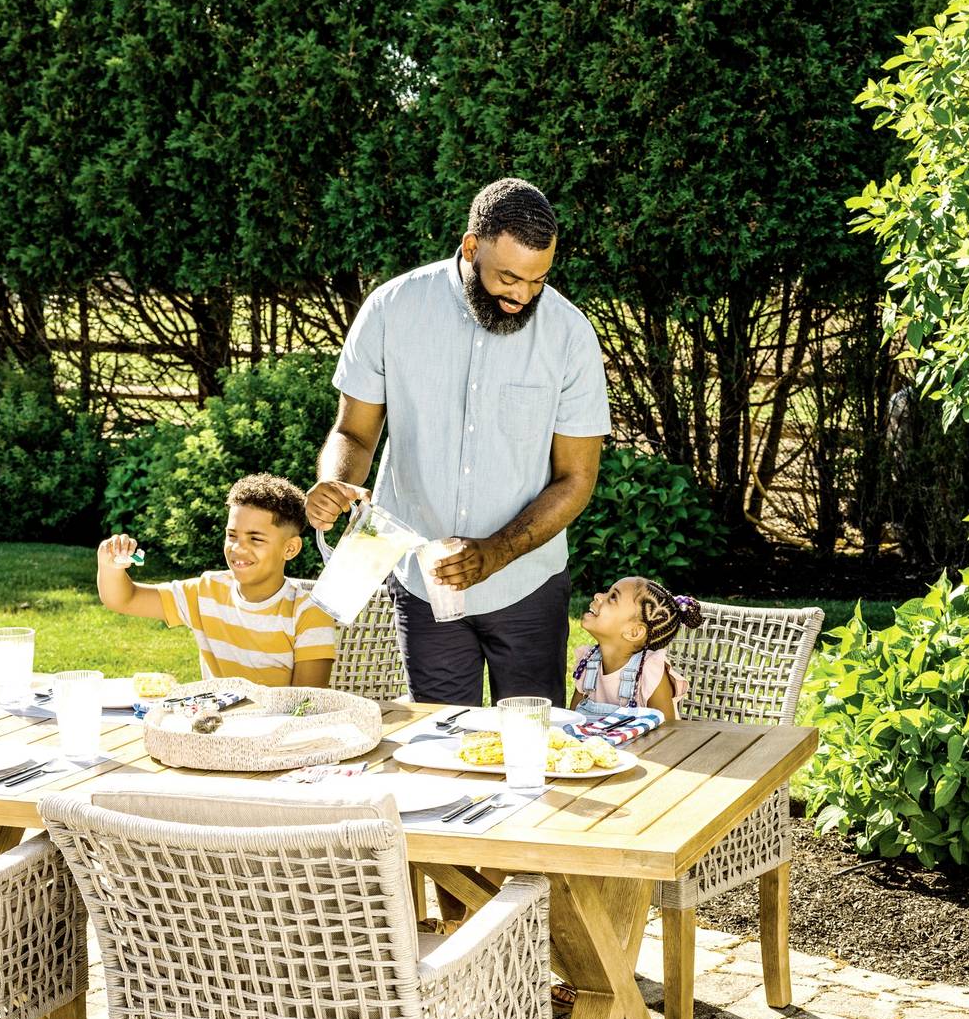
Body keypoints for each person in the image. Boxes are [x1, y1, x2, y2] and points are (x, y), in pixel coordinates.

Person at [308, 177, 610, 705]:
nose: (523, 295)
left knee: (536, 748)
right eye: (509, 277)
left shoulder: (570, 335)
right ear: (471, 247)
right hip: (427, 588)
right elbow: (353, 432)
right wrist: (336, 484)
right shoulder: (391, 309)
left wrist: (496, 552)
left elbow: (576, 478)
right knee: (441, 746)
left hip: (528, 585)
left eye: (538, 280)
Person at [95, 475, 339, 689]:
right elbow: (125, 599)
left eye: (255, 539)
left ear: (290, 548)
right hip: (215, 731)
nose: (237, 548)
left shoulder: (309, 612)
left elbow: (307, 703)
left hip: (281, 735)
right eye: (232, 535)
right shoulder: (206, 591)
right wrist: (109, 566)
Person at [572, 577, 702, 717]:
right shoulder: (588, 662)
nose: (597, 596)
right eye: (607, 592)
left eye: (613, 597)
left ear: (634, 632)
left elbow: (667, 733)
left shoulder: (649, 672)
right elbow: (571, 722)